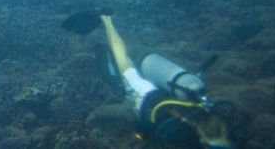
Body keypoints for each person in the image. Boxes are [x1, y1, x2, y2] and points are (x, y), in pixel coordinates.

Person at [62, 10, 236, 149]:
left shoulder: (216, 129)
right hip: (148, 98)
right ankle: (106, 19)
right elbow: (148, 131)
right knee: (123, 62)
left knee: (125, 67)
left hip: (174, 100)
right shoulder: (185, 137)